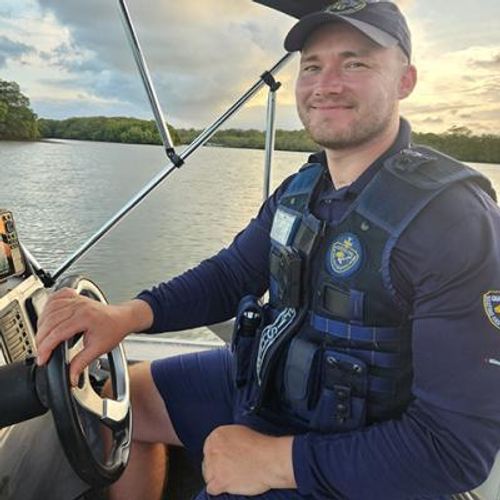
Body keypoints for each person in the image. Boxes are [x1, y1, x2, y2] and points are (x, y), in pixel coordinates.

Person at [36, 1, 500, 499]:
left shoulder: (454, 221)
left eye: (356, 62)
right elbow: (233, 274)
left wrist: (279, 461)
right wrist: (127, 314)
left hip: (360, 443)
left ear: (405, 80)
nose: (328, 84)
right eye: (313, 67)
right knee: (122, 399)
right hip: (271, 383)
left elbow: (453, 450)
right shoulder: (302, 188)